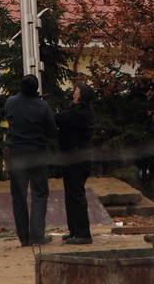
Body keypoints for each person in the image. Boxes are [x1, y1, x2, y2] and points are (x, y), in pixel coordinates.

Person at [4, 74, 58, 247]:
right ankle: (37, 235)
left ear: (20, 87)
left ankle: (23, 238)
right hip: (36, 153)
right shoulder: (43, 106)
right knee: (39, 193)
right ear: (36, 90)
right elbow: (52, 132)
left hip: (16, 153)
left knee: (18, 196)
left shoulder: (10, 102)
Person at [55, 81, 96, 245]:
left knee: (76, 195)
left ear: (79, 96)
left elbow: (57, 118)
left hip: (76, 159)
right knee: (71, 194)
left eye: (77, 90)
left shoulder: (79, 113)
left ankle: (83, 233)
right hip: (77, 158)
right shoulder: (82, 110)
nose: (74, 92)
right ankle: (75, 231)